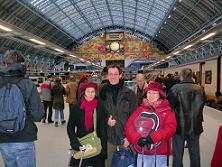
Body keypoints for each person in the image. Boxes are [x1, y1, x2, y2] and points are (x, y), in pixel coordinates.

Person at [0, 50, 44, 167]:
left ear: (5, 64)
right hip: (24, 136)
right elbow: (38, 114)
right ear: (22, 64)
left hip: (3, 138)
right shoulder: (27, 84)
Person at [125, 82, 177, 167]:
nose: (151, 95)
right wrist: (136, 138)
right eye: (149, 92)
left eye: (154, 93)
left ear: (159, 95)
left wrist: (153, 137)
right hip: (142, 150)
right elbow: (129, 125)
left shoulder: (167, 111)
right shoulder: (140, 109)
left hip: (160, 152)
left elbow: (170, 128)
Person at [99, 64, 137, 166]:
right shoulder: (102, 92)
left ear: (120, 75)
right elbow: (98, 113)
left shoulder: (129, 94)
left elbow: (135, 118)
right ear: (107, 76)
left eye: (116, 74)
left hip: (125, 138)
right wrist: (106, 119)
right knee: (108, 163)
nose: (113, 77)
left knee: (125, 163)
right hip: (108, 137)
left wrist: (129, 137)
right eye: (110, 74)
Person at [167, 68, 206, 167]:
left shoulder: (175, 88)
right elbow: (202, 104)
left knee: (178, 154)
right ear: (191, 76)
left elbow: (169, 105)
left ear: (181, 76)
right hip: (195, 125)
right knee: (195, 153)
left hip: (179, 126)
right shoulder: (200, 89)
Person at [67, 82, 107, 167]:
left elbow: (103, 129)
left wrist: (104, 149)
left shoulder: (100, 107)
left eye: (93, 91)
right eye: (88, 91)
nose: (91, 94)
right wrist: (75, 143)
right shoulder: (76, 108)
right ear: (83, 92)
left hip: (96, 145)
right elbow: (70, 127)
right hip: (82, 144)